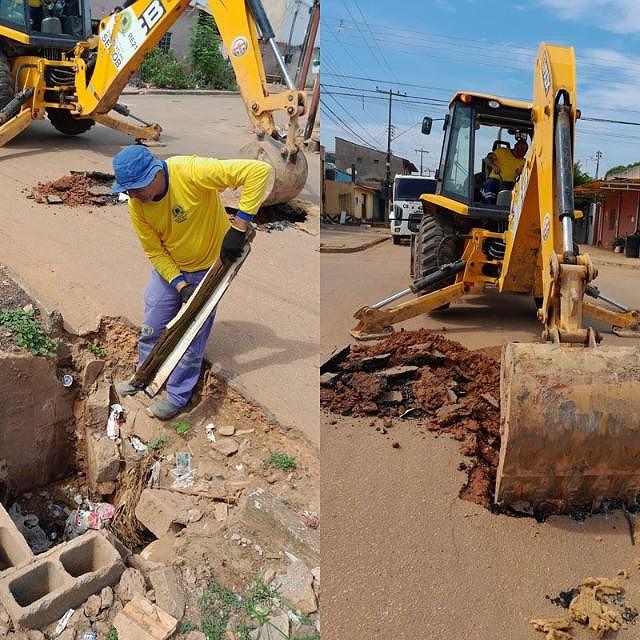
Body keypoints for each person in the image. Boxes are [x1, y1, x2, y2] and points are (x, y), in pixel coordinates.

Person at [112, 144, 271, 420]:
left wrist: (239, 226)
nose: (133, 195)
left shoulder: (191, 171)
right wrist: (179, 284)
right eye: (128, 190)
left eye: (136, 188)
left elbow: (259, 171)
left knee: (191, 333)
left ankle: (178, 396)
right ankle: (143, 376)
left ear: (154, 175)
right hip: (171, 268)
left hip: (210, 268)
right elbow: (154, 251)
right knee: (153, 323)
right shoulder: (137, 205)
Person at [480, 138, 528, 205]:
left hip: (510, 185)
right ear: (515, 146)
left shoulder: (523, 161)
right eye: (521, 148)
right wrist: (494, 166)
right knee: (490, 186)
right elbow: (487, 159)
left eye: (524, 150)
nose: (522, 151)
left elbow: (521, 172)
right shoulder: (502, 151)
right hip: (495, 180)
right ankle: (489, 206)